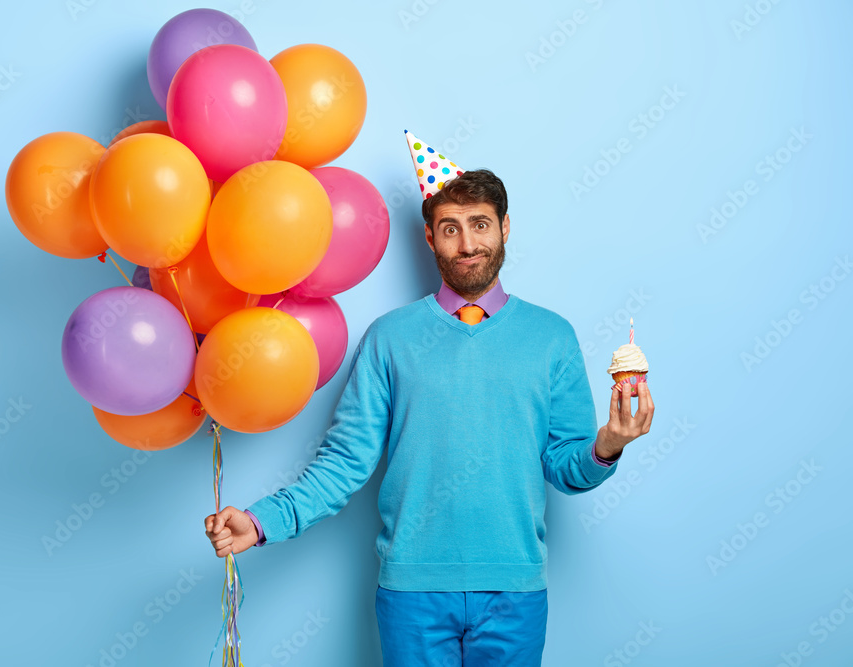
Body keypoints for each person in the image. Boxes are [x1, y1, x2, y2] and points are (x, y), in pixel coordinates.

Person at [205, 147, 655, 666]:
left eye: (480, 225)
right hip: (412, 591)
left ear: (505, 228)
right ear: (429, 237)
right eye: (450, 228)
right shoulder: (389, 339)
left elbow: (567, 466)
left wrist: (608, 444)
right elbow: (344, 463)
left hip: (515, 589)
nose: (468, 244)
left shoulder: (551, 337)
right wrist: (263, 522)